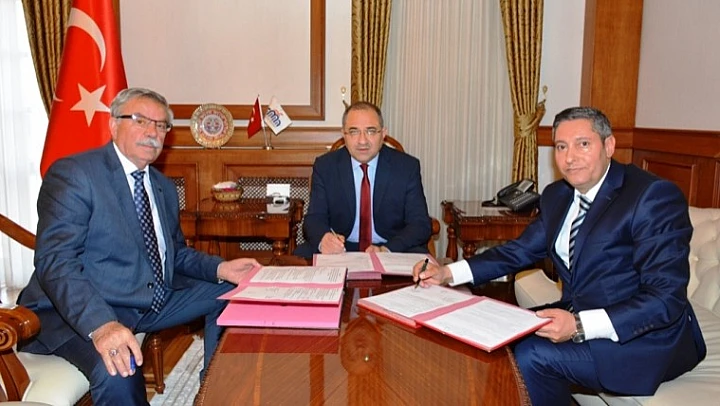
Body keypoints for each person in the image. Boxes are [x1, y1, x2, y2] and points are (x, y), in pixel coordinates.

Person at [413, 107, 706, 405]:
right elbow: (519, 251)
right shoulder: (558, 195)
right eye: (561, 147)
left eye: (583, 144)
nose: (569, 157)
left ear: (609, 146)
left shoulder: (652, 196)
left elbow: (665, 298)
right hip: (581, 310)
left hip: (643, 339)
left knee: (532, 354)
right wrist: (448, 273)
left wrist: (578, 325)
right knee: (493, 333)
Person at [17, 87, 260, 405]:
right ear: (113, 124)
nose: (152, 132)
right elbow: (56, 262)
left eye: (161, 125)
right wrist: (102, 325)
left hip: (147, 300)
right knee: (120, 368)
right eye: (140, 120)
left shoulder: (162, 187)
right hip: (77, 311)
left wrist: (222, 268)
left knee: (232, 295)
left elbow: (174, 253)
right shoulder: (75, 174)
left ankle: (214, 394)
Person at [294, 101, 432, 259]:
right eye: (354, 132)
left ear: (383, 134)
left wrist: (387, 249)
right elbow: (314, 219)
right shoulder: (326, 167)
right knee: (300, 256)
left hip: (391, 246)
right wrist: (325, 239)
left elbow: (420, 224)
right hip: (342, 247)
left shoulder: (407, 167)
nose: (362, 141)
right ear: (344, 134)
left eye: (371, 131)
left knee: (422, 261)